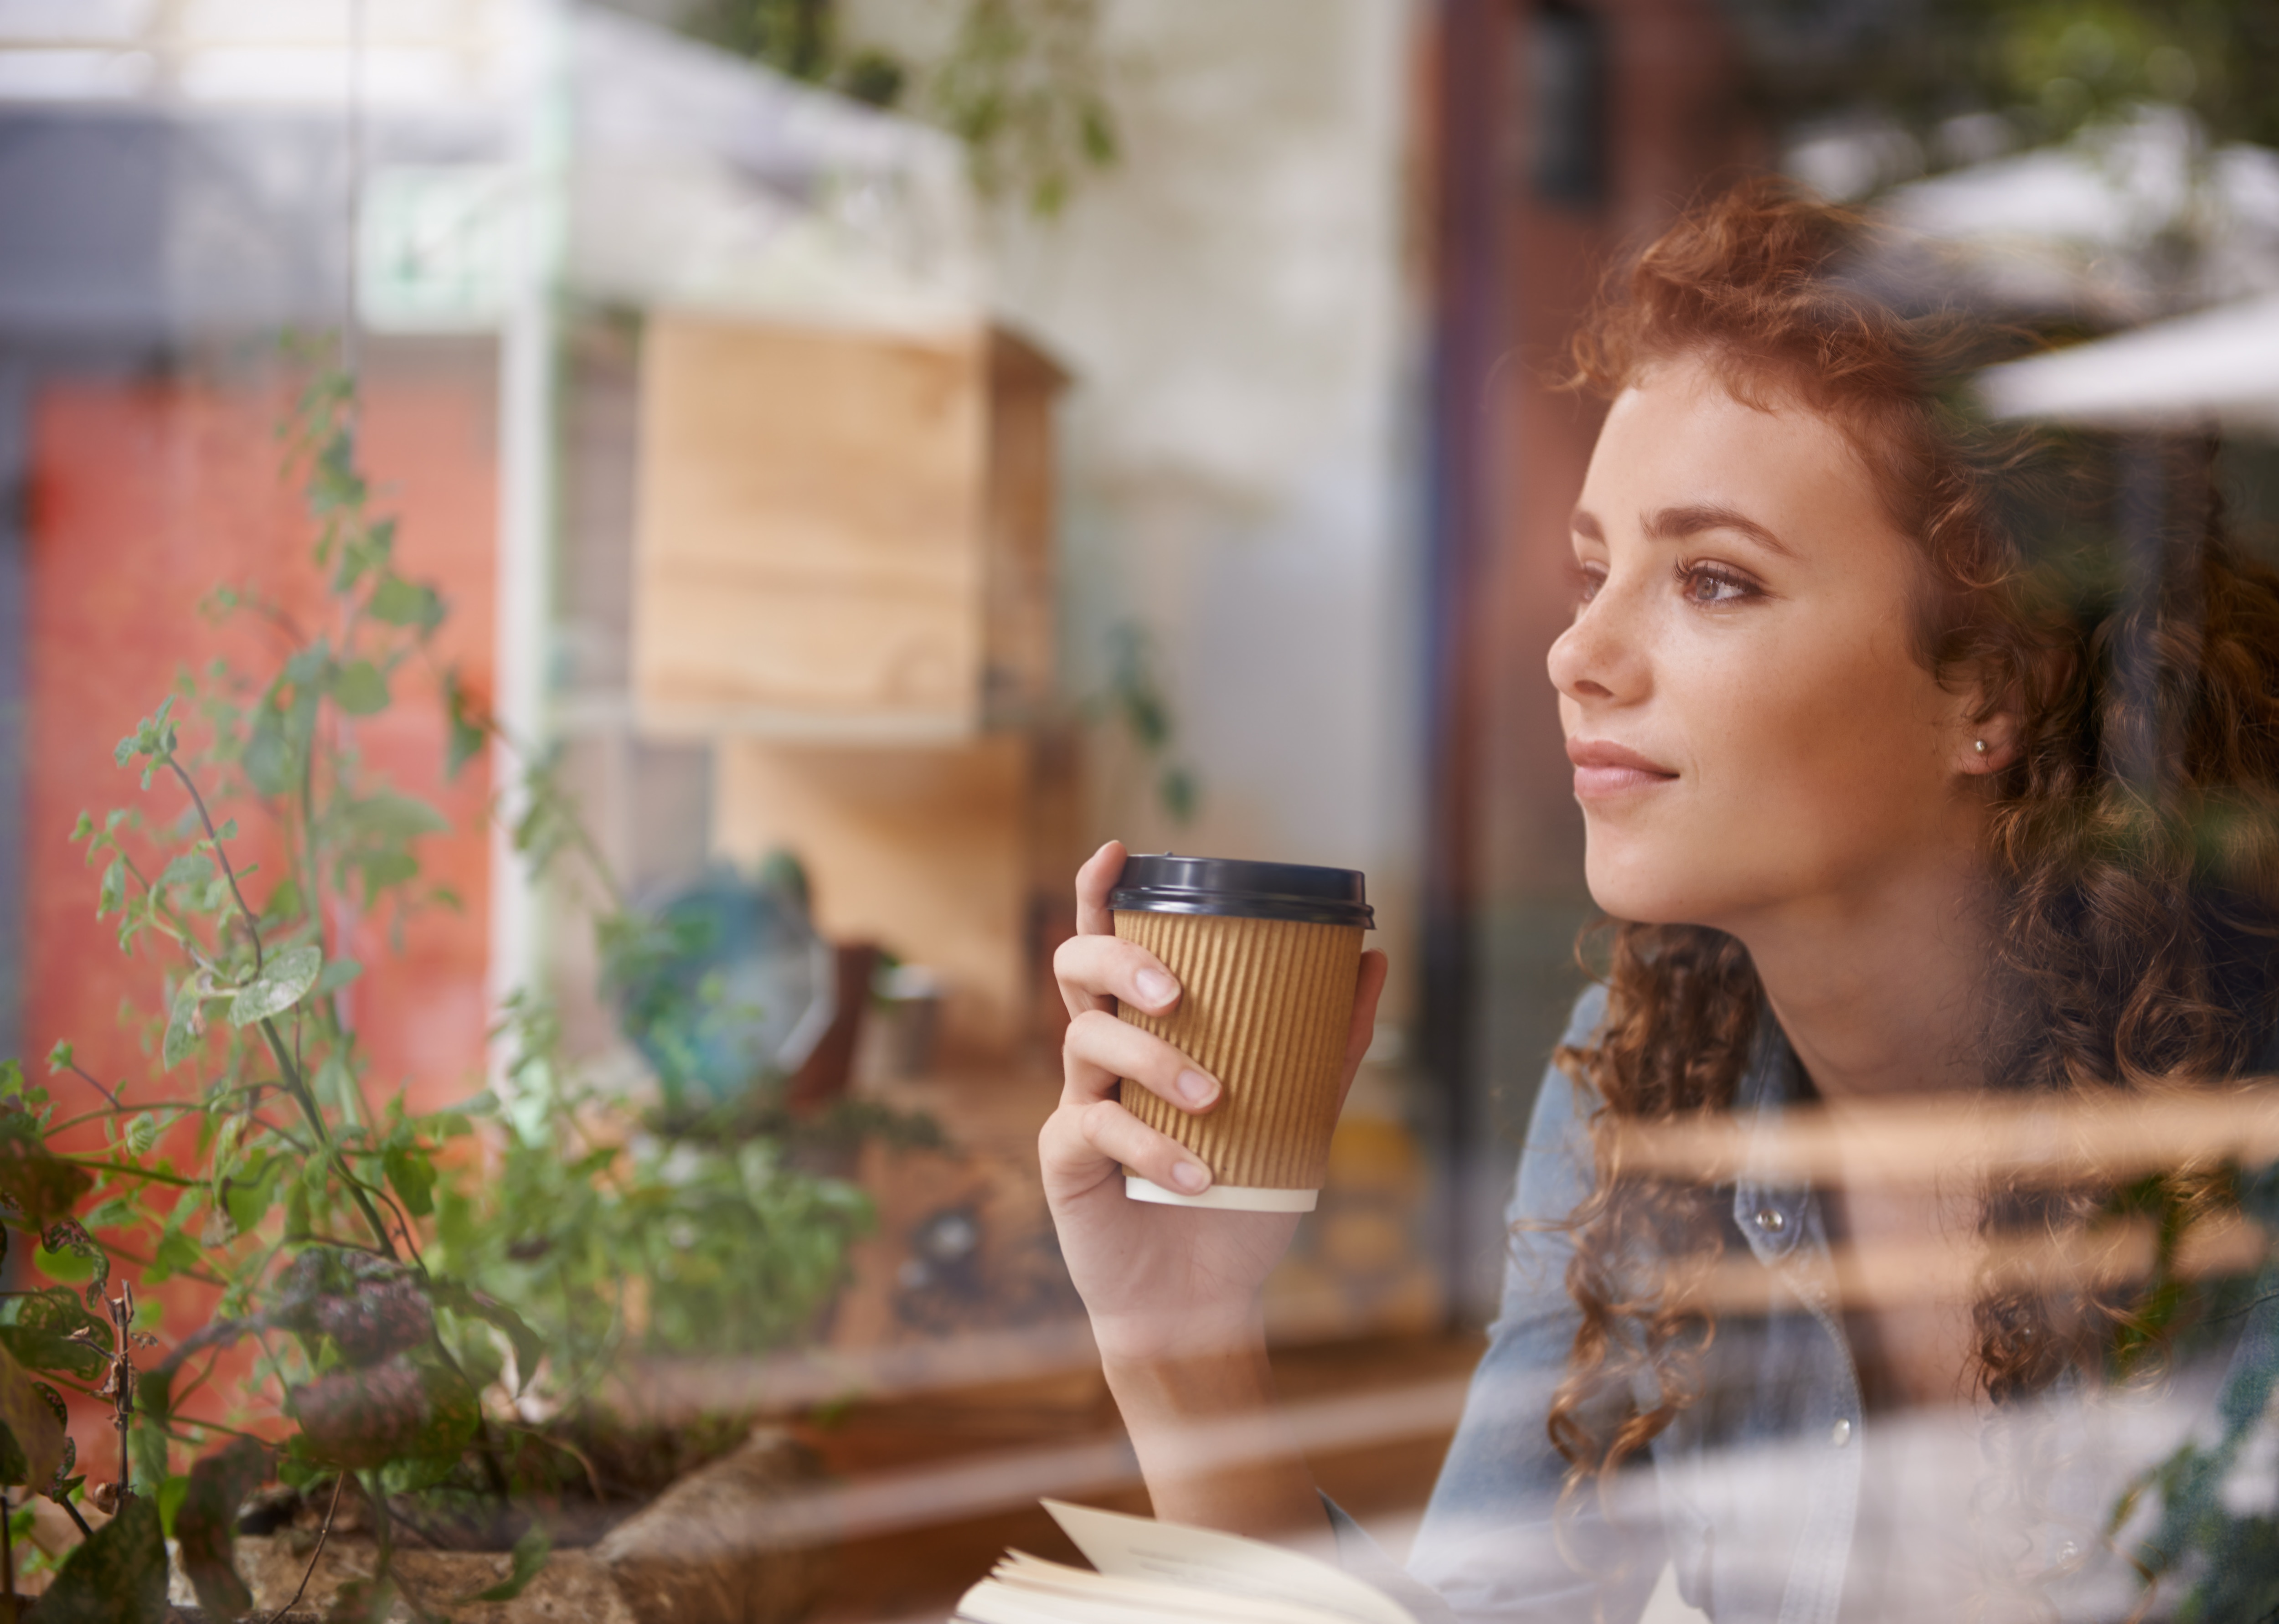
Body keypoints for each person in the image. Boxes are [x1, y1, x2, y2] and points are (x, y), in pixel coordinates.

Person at [1037, 177, 2279, 1624]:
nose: (1577, 652)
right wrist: (1182, 1345)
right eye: (1594, 569)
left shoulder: (2233, 1154)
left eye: (1713, 580)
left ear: (1988, 689)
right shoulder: (1647, 1074)